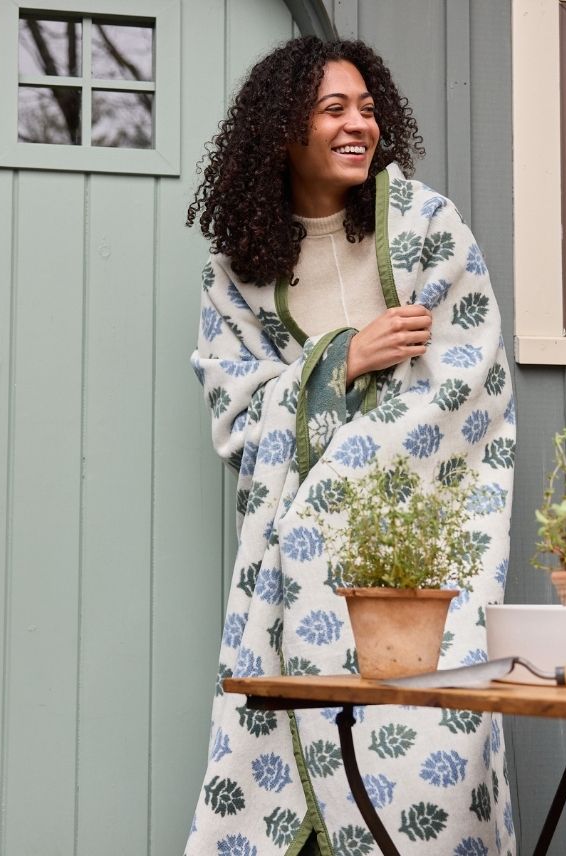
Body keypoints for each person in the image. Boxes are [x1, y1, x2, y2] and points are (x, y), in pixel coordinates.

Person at [187, 36, 516, 856]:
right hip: (287, 577)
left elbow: (467, 389)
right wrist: (347, 358)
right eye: (333, 109)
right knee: (288, 739)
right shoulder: (241, 269)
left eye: (367, 109)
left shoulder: (428, 232)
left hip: (429, 555)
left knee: (436, 758)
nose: (357, 125)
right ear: (282, 130)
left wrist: (324, 402)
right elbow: (234, 409)